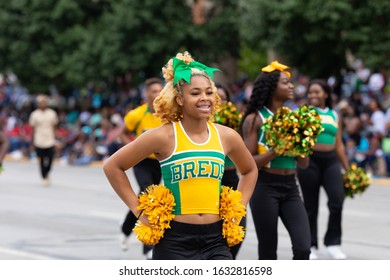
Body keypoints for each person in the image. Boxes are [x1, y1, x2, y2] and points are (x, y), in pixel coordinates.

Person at [103, 51, 258, 260]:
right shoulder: (162, 135)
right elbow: (113, 166)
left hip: (216, 240)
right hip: (174, 241)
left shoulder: (226, 136)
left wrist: (238, 208)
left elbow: (249, 170)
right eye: (195, 93)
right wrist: (138, 211)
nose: (204, 98)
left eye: (209, 92)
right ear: (179, 99)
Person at [240, 61, 311, 260]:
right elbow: (247, 164)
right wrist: (277, 150)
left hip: (291, 187)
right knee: (269, 250)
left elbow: (303, 164)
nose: (291, 86)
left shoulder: (294, 118)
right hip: (265, 187)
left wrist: (304, 144)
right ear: (272, 88)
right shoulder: (255, 119)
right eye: (286, 83)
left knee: (303, 247)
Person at [297, 79, 349, 260]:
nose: (313, 95)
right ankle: (310, 244)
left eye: (317, 92)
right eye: (310, 92)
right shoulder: (304, 112)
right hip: (309, 161)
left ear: (326, 94)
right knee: (310, 205)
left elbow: (339, 144)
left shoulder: (335, 115)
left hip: (331, 161)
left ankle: (333, 243)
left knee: (337, 200)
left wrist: (347, 168)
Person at [117, 77, 164, 259]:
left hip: (160, 162)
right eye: (154, 91)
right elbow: (122, 133)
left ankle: (125, 227)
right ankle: (148, 246)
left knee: (143, 198)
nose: (158, 94)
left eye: (160, 90)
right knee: (148, 194)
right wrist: (131, 149)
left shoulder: (166, 115)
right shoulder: (136, 115)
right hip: (141, 160)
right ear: (146, 94)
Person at [215, 83, 246, 259]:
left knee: (238, 227)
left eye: (224, 99)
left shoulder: (235, 121)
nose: (220, 103)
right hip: (212, 179)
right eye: (216, 98)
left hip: (231, 176)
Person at [29, 94, 59, 186]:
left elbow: (54, 127)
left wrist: (55, 139)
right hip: (39, 139)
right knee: (41, 159)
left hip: (50, 139)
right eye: (40, 103)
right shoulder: (34, 114)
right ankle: (44, 176)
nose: (42, 104)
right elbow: (32, 129)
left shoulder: (52, 113)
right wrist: (32, 141)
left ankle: (47, 172)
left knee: (50, 158)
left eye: (43, 102)